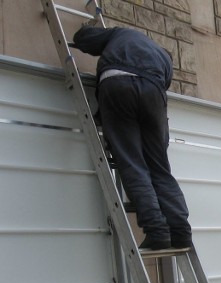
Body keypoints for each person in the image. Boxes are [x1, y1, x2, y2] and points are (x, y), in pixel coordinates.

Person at [72, 25, 191, 250]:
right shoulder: (164, 61)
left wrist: (81, 33)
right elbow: (158, 96)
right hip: (153, 93)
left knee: (132, 162)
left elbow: (87, 40)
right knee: (159, 169)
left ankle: (157, 230)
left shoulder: (124, 34)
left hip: (118, 84)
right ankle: (181, 231)